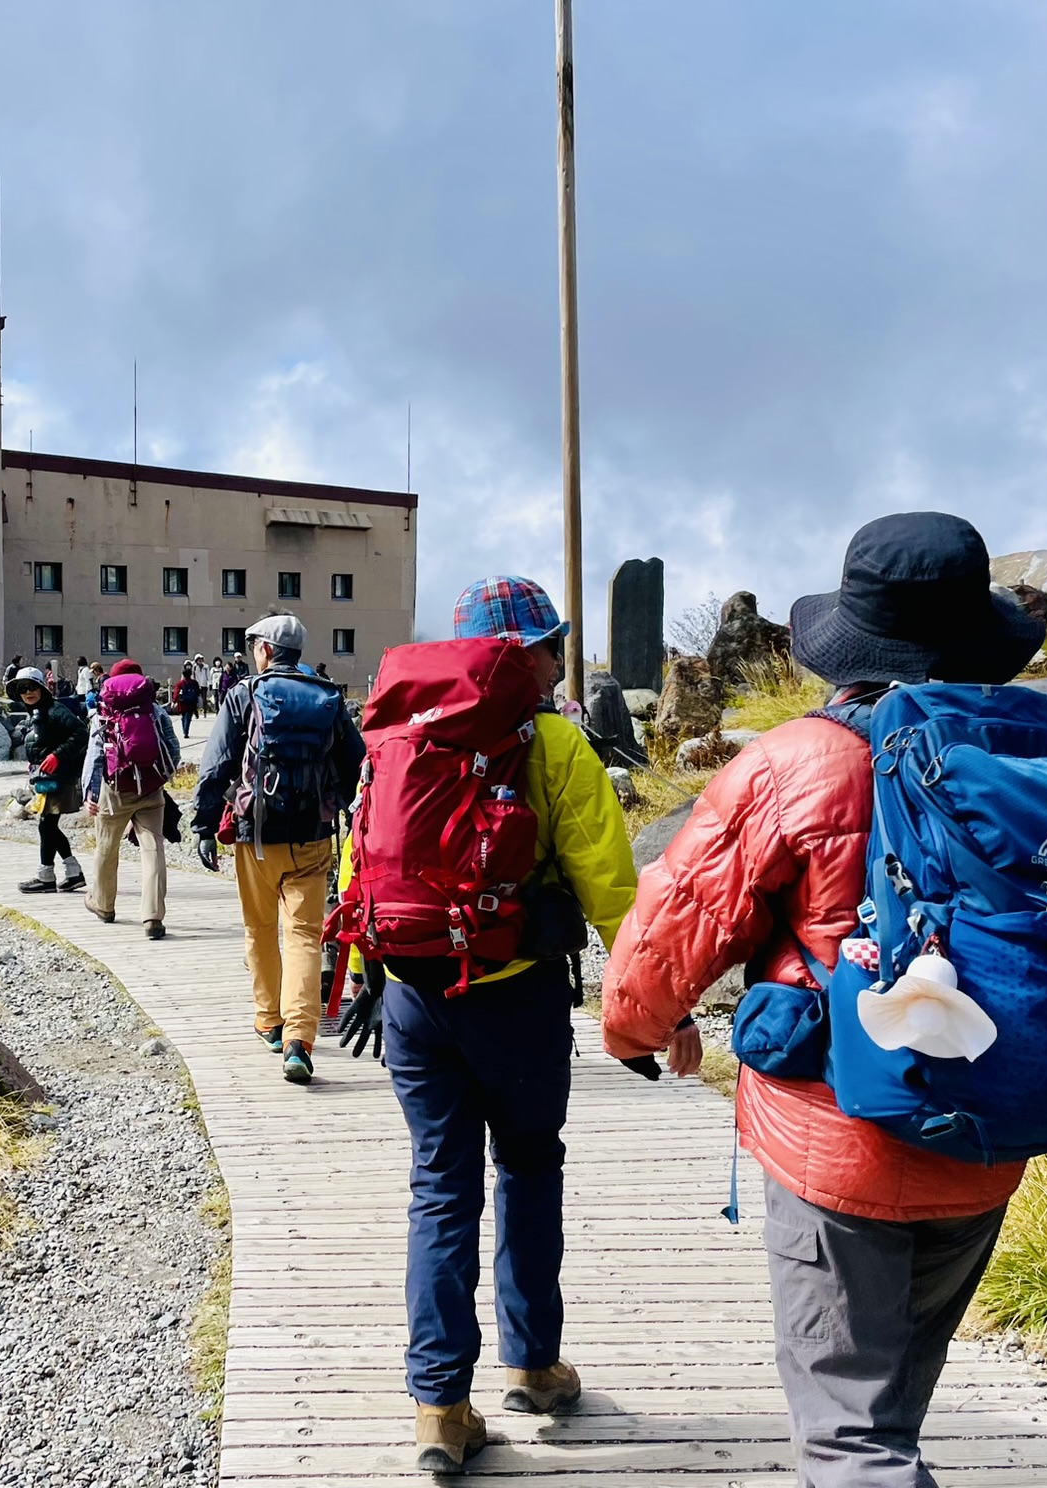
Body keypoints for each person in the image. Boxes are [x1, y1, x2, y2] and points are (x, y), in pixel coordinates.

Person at [601, 512, 1047, 1488]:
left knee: (850, 1440)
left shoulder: (797, 761)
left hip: (837, 1143)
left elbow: (677, 917)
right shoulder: (1038, 770)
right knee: (890, 1413)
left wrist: (633, 1029)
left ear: (851, 639)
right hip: (990, 1136)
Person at [345, 576, 639, 1473]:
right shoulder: (554, 741)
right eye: (552, 647)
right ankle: (535, 1366)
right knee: (529, 1165)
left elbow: (364, 861)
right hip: (513, 995)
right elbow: (609, 882)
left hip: (410, 991)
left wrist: (362, 976)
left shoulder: (395, 732)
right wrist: (643, 1005)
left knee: (440, 1188)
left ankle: (440, 1409)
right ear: (531, 654)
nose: (558, 662)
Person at [193, 615, 365, 1085]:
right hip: (313, 835)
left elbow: (216, 765)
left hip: (257, 836)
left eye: (254, 645)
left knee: (260, 929)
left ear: (266, 650)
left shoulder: (244, 694)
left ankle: (269, 1021)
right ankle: (299, 1040)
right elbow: (356, 767)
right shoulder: (328, 696)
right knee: (305, 936)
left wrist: (204, 826)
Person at [82, 658, 181, 938]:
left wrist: (90, 792)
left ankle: (104, 905)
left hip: (115, 790)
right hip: (151, 788)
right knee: (153, 849)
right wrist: (161, 778)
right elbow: (173, 750)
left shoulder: (104, 711)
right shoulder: (155, 710)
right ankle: (152, 917)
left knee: (106, 846)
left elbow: (95, 755)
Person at [8, 667, 90, 894]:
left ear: (42, 688)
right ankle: (73, 873)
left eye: (32, 687)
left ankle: (46, 877)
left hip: (59, 777)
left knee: (47, 825)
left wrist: (57, 755)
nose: (28, 692)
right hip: (47, 778)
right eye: (22, 689)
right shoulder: (37, 713)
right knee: (48, 826)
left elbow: (81, 732)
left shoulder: (55, 710)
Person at [172, 663, 202, 739]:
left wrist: (174, 701)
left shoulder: (180, 683)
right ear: (191, 674)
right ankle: (186, 732)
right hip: (191, 702)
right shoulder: (194, 683)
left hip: (182, 702)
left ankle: (184, 731)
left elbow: (176, 692)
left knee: (183, 717)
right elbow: (198, 692)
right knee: (188, 717)